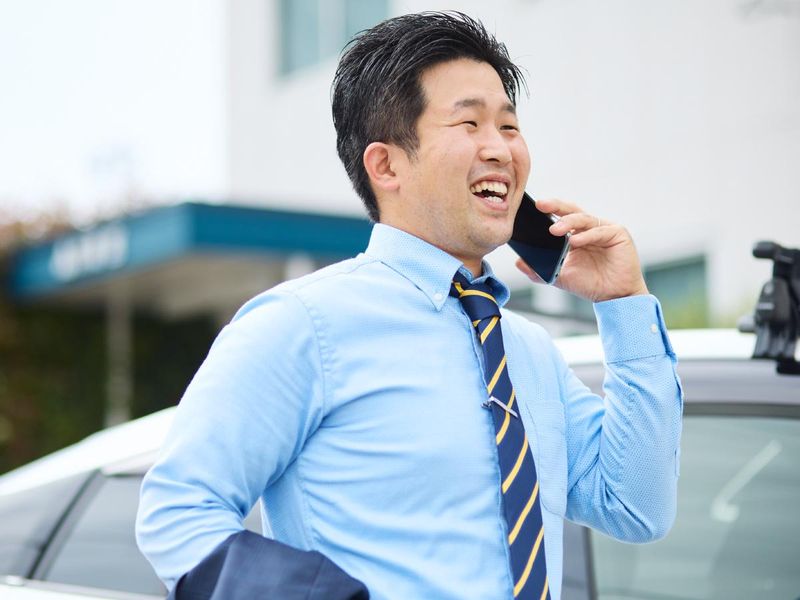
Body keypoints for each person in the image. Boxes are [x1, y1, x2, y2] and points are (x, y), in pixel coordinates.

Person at [136, 11, 682, 600]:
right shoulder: (302, 324)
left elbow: (635, 506)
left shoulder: (527, 350)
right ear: (386, 164)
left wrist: (625, 304)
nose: (499, 148)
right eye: (469, 122)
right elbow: (178, 510)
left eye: (509, 126)